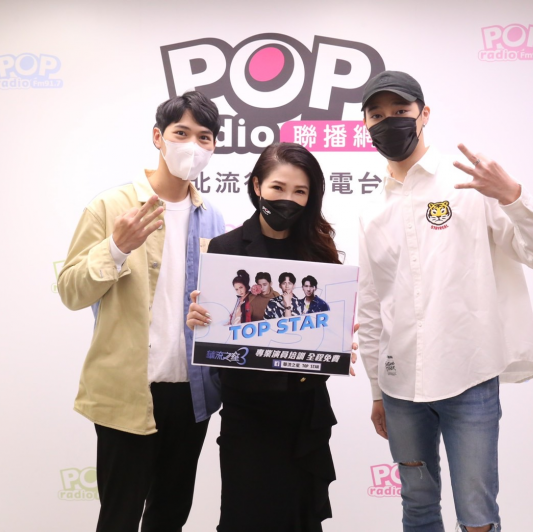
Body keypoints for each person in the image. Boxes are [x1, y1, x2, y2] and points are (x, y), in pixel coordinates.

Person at [357, 71, 533, 532]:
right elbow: (372, 305)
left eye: (400, 111)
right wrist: (376, 389)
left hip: (468, 377)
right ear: (366, 125)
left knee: (477, 518)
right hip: (399, 387)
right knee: (417, 506)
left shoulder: (469, 186)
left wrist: (512, 196)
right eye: (377, 115)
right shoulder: (371, 208)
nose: (389, 121)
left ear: (424, 115)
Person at [57, 91, 225, 532]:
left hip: (191, 394)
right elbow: (71, 291)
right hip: (128, 391)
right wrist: (116, 247)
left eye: (204, 137)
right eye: (181, 133)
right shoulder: (111, 206)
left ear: (213, 147)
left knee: (170, 515)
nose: (192, 146)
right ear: (158, 137)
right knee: (119, 516)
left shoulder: (213, 217)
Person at [186, 142, 357, 532]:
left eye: (300, 191)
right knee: (245, 517)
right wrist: (200, 320)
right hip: (248, 414)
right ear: (257, 185)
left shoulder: (320, 251)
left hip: (304, 413)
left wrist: (339, 343)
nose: (288, 199)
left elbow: (326, 329)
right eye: (278, 187)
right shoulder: (227, 248)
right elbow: (219, 329)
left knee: (300, 518)